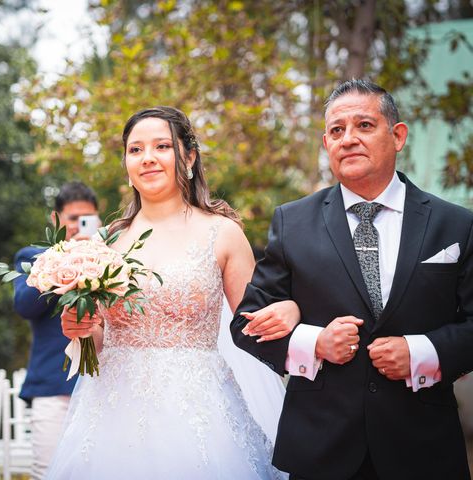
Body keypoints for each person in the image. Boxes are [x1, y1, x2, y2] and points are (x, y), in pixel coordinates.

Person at [231, 79, 473, 480]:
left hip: (424, 448)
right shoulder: (292, 222)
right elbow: (245, 323)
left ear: (397, 136)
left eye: (364, 125)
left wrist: (421, 352)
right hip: (322, 449)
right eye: (337, 130)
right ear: (326, 144)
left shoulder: (456, 225)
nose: (348, 139)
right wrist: (314, 342)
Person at [46, 106, 301, 479]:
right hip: (111, 414)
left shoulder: (222, 232)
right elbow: (98, 341)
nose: (147, 158)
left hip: (199, 415)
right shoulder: (108, 242)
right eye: (135, 150)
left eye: (161, 146)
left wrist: (291, 309)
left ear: (190, 156)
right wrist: (81, 329)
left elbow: (255, 323)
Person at [13, 181, 100, 479]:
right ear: (56, 219)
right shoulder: (32, 257)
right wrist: (64, 260)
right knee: (48, 472)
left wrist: (96, 258)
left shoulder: (109, 260)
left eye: (86, 219)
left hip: (101, 387)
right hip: (52, 385)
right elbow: (25, 305)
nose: (79, 226)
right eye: (73, 218)